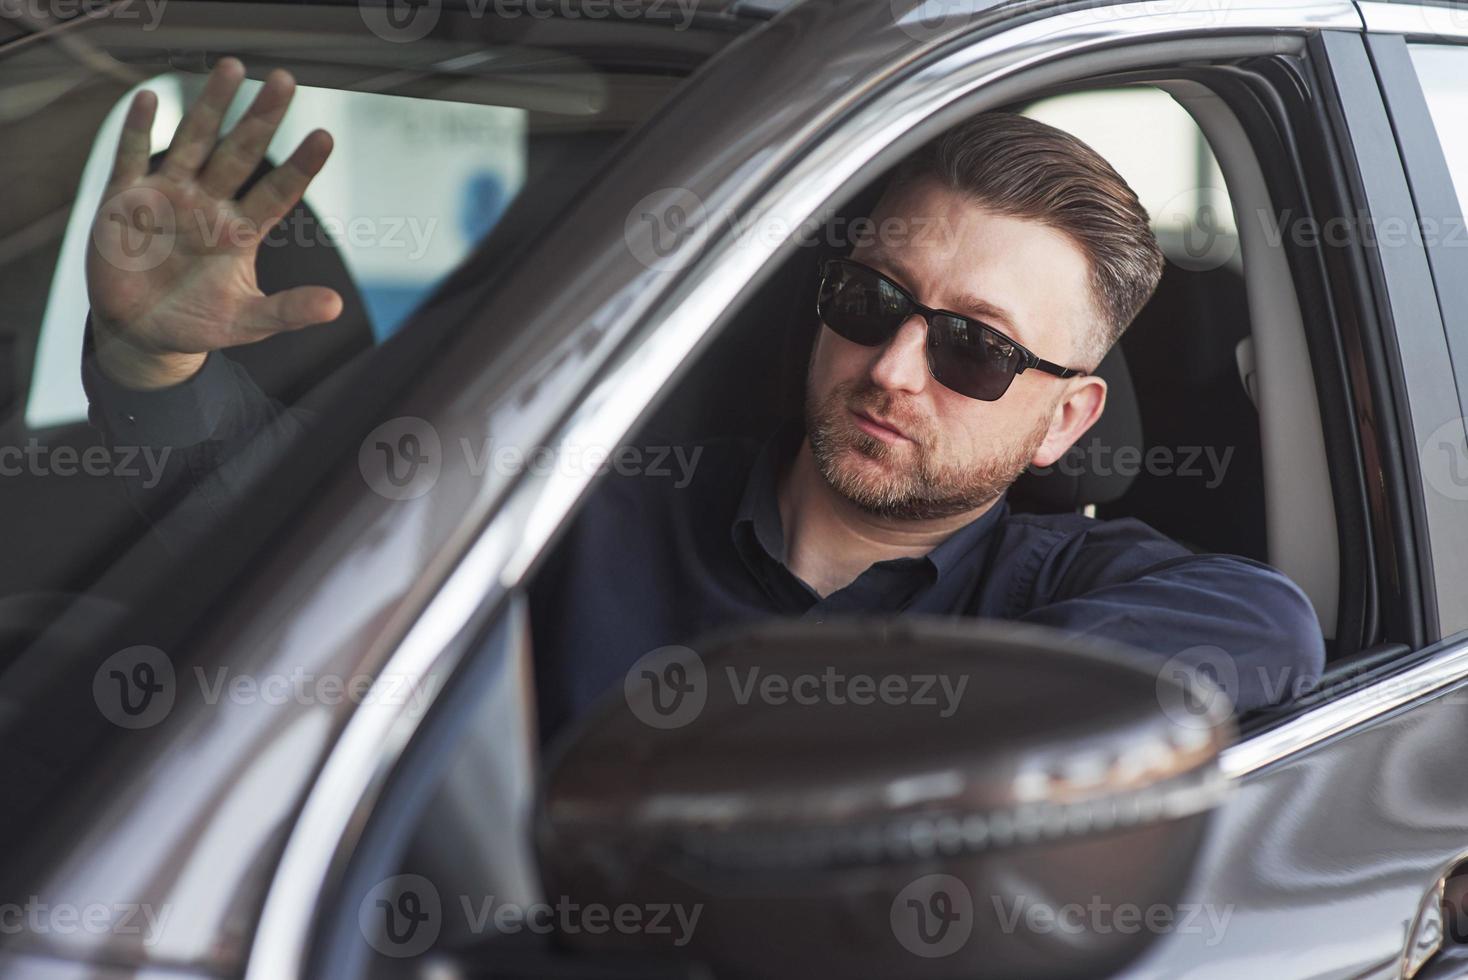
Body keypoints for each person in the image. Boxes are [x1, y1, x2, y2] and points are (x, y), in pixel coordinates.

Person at [84, 60, 1325, 737]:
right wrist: (154, 362)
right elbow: (295, 517)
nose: (893, 367)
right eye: (869, 298)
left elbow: (1269, 622)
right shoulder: (587, 503)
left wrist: (909, 725)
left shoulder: (1064, 591)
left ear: (1064, 418)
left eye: (975, 352)